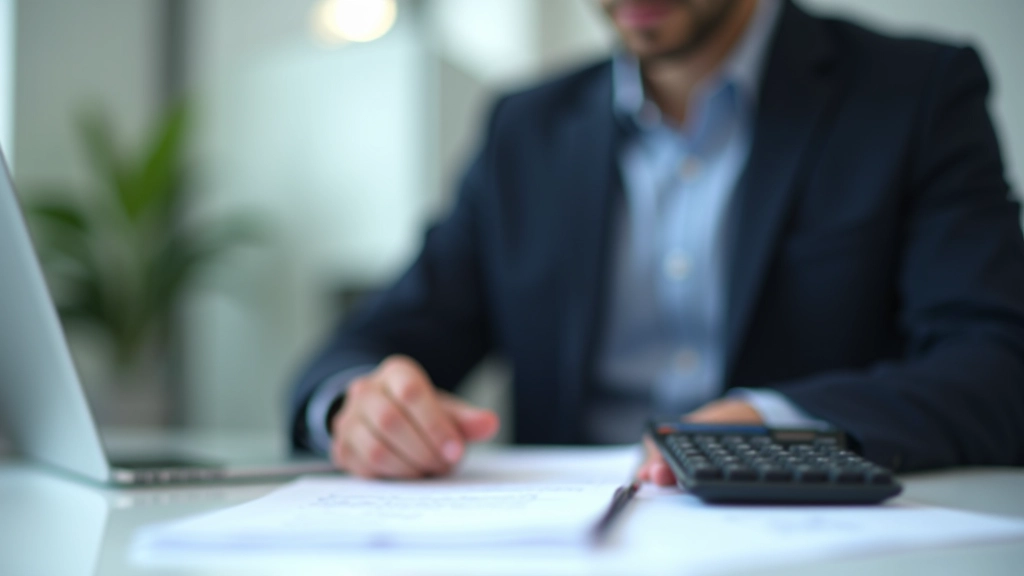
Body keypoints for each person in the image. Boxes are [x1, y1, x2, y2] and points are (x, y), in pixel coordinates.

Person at [290, 0, 1024, 484]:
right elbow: (368, 341)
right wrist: (357, 408)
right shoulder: (525, 130)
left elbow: (995, 366)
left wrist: (775, 423)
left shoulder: (916, 93)